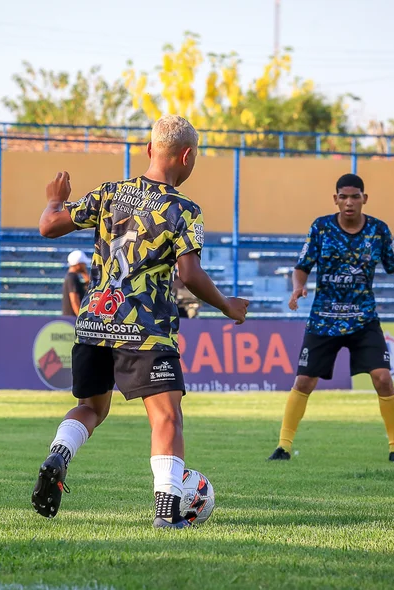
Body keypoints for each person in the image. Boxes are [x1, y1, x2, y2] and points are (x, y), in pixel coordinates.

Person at [33, 114, 250, 529]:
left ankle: (58, 455)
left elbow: (48, 226)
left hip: (95, 321)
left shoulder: (110, 193)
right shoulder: (183, 209)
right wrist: (226, 305)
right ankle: (168, 515)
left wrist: (54, 199)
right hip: (145, 329)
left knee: (91, 408)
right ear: (187, 156)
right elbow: (189, 274)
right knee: (166, 418)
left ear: (150, 149)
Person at [267, 173, 394, 464]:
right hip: (324, 318)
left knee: (383, 378)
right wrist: (298, 287)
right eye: (343, 197)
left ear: (364, 199)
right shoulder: (320, 228)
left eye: (354, 196)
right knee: (304, 381)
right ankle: (283, 447)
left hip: (363, 318)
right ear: (335, 199)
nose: (349, 202)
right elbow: (302, 265)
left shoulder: (378, 231)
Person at [61, 250, 90, 316]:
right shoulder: (72, 278)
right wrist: (80, 317)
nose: (85, 265)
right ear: (78, 264)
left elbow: (90, 286)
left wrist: (85, 274)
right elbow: (74, 300)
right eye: (83, 263)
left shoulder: (72, 277)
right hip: (72, 319)